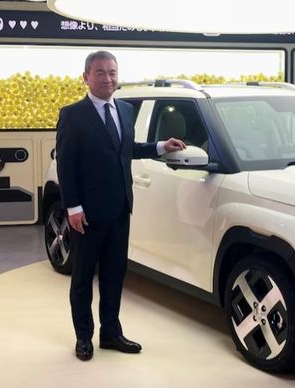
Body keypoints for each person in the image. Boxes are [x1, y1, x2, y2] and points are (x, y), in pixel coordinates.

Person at [55, 50, 186, 361]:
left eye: (112, 72)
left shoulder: (125, 110)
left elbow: (126, 149)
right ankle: (83, 337)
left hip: (120, 210)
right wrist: (72, 207)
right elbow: (66, 163)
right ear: (86, 77)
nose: (108, 78)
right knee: (84, 278)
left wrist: (159, 146)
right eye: (100, 72)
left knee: (115, 275)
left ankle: (111, 334)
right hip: (87, 214)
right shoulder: (72, 115)